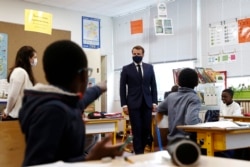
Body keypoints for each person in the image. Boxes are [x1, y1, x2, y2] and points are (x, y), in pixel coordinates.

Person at [18, 40, 123, 166]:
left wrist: (99, 88)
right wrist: (91, 159)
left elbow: (80, 101)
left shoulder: (59, 102)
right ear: (84, 75)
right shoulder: (53, 112)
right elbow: (38, 164)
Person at [119, 45, 158, 154]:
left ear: (143, 55)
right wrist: (124, 105)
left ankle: (142, 147)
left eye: (138, 54)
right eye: (134, 54)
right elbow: (122, 88)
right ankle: (139, 153)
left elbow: (153, 86)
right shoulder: (126, 69)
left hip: (147, 103)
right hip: (133, 104)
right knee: (137, 129)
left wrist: (154, 102)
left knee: (146, 129)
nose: (136, 56)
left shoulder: (149, 68)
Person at [156, 68, 202, 143]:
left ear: (178, 82)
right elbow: (191, 121)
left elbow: (159, 109)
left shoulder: (171, 96)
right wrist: (201, 122)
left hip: (171, 140)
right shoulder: (194, 98)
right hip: (187, 142)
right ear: (197, 83)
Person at [3, 46, 37, 120]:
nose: (35, 60)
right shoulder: (19, 72)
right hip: (16, 117)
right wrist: (7, 111)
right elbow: (13, 96)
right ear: (28, 58)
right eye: (34, 57)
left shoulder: (24, 73)